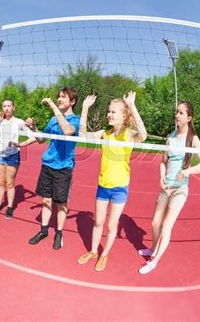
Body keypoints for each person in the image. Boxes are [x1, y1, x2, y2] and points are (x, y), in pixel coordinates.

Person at [76, 91, 147, 271]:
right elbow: (82, 136)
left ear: (123, 116)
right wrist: (84, 108)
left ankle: (104, 253)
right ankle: (93, 251)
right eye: (109, 111)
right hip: (103, 185)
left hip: (120, 188)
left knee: (111, 224)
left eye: (113, 112)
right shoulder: (104, 133)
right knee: (98, 222)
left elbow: (144, 135)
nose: (109, 114)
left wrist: (131, 105)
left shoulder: (129, 135)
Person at [138, 100, 200, 274]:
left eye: (181, 113)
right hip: (166, 186)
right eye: (177, 112)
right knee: (155, 223)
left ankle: (154, 261)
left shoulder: (193, 139)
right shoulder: (170, 137)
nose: (177, 115)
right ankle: (153, 248)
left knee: (166, 226)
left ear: (189, 118)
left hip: (180, 189)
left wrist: (187, 171)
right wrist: (161, 176)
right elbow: (163, 162)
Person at [25, 87, 80, 250]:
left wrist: (53, 107)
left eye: (63, 97)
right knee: (46, 200)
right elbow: (42, 140)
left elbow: (68, 131)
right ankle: (43, 231)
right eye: (58, 97)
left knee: (61, 203)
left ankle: (59, 233)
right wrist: (33, 128)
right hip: (48, 164)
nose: (59, 99)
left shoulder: (76, 120)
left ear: (73, 101)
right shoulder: (52, 119)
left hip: (64, 167)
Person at [0, 99, 30, 219]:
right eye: (4, 106)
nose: (6, 108)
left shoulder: (19, 122)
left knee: (10, 183)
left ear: (13, 108)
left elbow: (31, 134)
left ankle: (10, 207)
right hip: (0, 155)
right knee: (1, 182)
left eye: (9, 106)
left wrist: (21, 144)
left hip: (13, 155)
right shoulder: (1, 121)